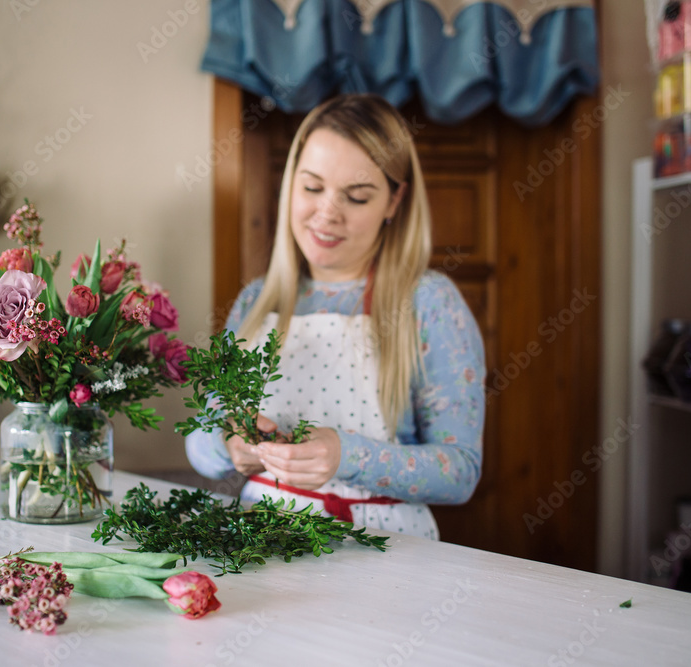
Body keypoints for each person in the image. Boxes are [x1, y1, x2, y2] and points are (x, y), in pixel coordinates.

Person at [185, 93, 485, 539]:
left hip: (387, 550)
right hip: (260, 542)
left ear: (393, 201)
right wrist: (230, 445)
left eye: (357, 197)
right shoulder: (256, 303)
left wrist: (347, 456)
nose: (327, 213)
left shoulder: (428, 302)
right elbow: (200, 445)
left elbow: (459, 472)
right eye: (312, 187)